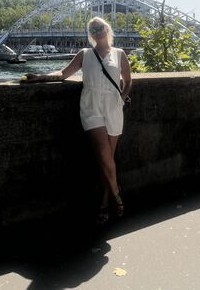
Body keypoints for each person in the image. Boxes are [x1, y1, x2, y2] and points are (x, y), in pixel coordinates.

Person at [23, 17, 132, 224]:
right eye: (93, 29)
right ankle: (116, 193)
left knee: (107, 160)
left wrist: (121, 99)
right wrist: (41, 77)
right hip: (91, 106)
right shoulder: (84, 54)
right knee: (104, 154)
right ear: (90, 34)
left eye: (100, 27)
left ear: (107, 29)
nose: (97, 31)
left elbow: (128, 80)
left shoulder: (119, 54)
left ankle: (104, 203)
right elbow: (63, 73)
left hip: (113, 107)